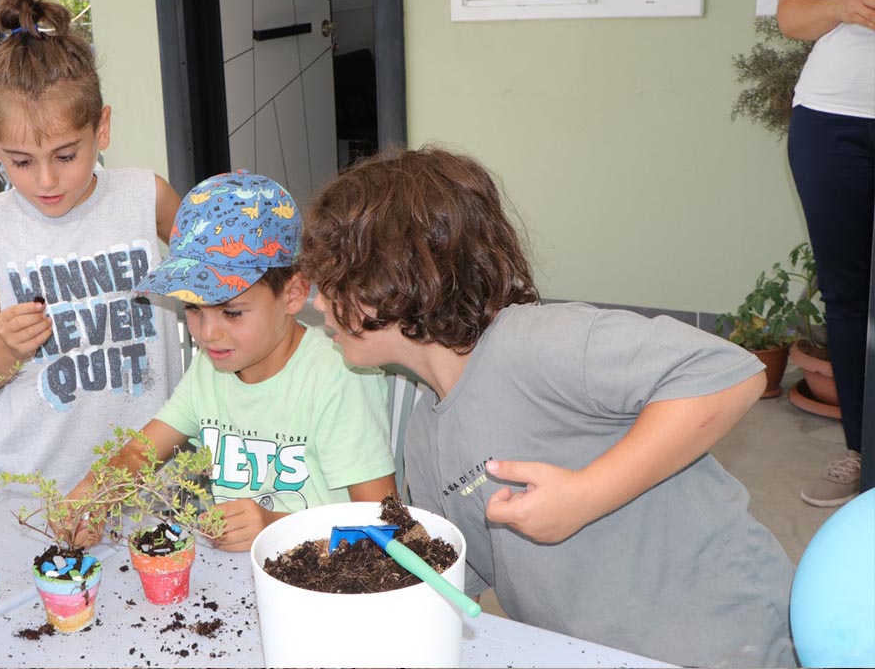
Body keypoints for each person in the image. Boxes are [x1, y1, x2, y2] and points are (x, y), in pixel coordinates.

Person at [296, 147, 796, 668]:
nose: (315, 301)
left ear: (395, 277)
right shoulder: (424, 435)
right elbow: (459, 568)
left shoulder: (532, 342)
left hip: (724, 642)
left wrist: (586, 494)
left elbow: (728, 374)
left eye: (331, 279)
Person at [66, 171, 398, 553]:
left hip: (324, 583)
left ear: (292, 295)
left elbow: (384, 525)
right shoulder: (210, 369)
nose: (207, 334)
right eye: (193, 310)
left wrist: (272, 526)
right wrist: (95, 491)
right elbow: (140, 451)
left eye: (232, 312)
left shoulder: (338, 375)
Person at [0, 0, 185, 490]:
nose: (45, 181)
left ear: (101, 128)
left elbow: (215, 270)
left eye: (65, 156)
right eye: (20, 161)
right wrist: (7, 351)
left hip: (146, 480)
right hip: (27, 487)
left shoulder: (146, 197)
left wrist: (226, 215)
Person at [777, 0, 874, 507]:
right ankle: (862, 452)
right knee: (847, 297)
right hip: (832, 120)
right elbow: (793, 17)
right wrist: (842, 4)